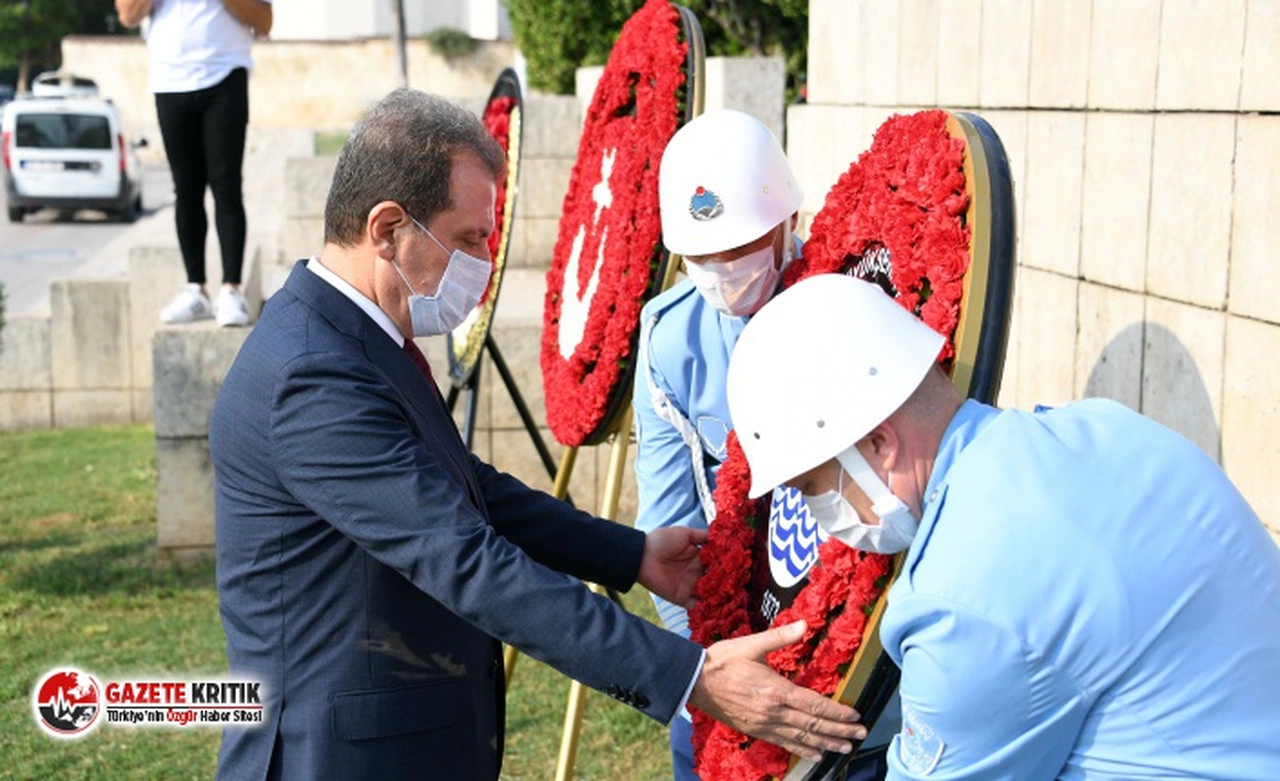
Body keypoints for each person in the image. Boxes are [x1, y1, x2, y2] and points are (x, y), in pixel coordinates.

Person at [208, 89, 867, 780]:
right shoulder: (312, 372)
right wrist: (690, 676)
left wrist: (632, 554)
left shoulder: (355, 338)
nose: (485, 262)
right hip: (338, 758)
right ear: (386, 228)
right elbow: (465, 559)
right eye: (467, 239)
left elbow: (470, 489)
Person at [727, 273, 1280, 780]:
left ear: (878, 445)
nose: (820, 518)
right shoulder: (1101, 426)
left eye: (811, 488)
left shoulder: (961, 599)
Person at [634, 109, 895, 780]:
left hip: (863, 635)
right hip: (737, 644)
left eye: (740, 247)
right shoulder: (670, 339)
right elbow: (671, 518)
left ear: (785, 220)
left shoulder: (856, 293)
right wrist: (717, 670)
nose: (722, 270)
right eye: (702, 256)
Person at [115, 0, 272, 327]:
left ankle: (230, 290)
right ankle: (195, 289)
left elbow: (264, 21)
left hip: (226, 74)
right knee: (185, 190)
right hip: (170, 80)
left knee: (226, 186)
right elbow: (128, 15)